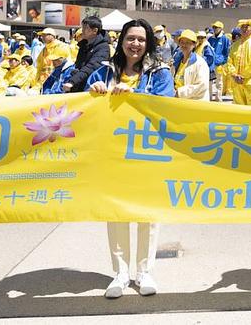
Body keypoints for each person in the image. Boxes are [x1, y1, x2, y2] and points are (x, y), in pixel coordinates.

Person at [87, 18, 174, 298]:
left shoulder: (159, 71)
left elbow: (166, 103)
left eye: (141, 39)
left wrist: (135, 93)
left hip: (147, 152)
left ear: (148, 43)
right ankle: (120, 273)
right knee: (116, 213)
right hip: (112, 153)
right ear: (121, 41)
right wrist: (94, 92)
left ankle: (144, 271)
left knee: (148, 214)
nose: (135, 44)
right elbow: (84, 103)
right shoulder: (105, 70)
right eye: (130, 38)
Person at [63, 16, 110, 93]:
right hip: (78, 85)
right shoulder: (84, 45)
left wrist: (72, 81)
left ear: (95, 31)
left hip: (92, 88)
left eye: (85, 28)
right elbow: (78, 65)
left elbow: (92, 67)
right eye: (82, 27)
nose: (82, 30)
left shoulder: (103, 47)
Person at [225, 19, 251, 107]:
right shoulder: (235, 45)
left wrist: (243, 76)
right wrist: (234, 74)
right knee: (238, 107)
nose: (244, 29)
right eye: (242, 27)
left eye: (247, 27)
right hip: (236, 82)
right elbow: (229, 61)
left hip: (250, 82)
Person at [173, 30, 210, 100]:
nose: (184, 45)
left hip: (194, 105)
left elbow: (202, 85)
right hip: (179, 102)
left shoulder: (200, 63)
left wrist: (179, 92)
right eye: (182, 42)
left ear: (194, 45)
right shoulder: (177, 60)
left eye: (187, 43)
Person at [207, 21, 231, 101]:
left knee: (219, 82)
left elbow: (226, 52)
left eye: (216, 27)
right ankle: (209, 97)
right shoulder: (210, 39)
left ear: (221, 28)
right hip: (211, 64)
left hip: (219, 64)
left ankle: (218, 98)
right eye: (213, 27)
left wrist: (222, 61)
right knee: (209, 81)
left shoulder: (225, 39)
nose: (214, 29)